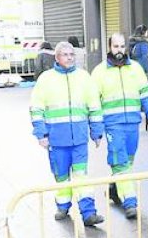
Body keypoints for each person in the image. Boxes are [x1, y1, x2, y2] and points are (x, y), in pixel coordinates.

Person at [29, 40, 105, 226]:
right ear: (56, 57)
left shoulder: (84, 77)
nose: (70, 58)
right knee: (61, 175)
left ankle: (88, 213)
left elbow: (94, 106)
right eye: (65, 55)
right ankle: (63, 205)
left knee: (81, 175)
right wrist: (41, 135)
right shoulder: (46, 79)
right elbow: (36, 108)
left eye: (72, 55)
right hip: (57, 140)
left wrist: (96, 132)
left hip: (79, 139)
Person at [91, 33, 148, 219]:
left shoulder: (136, 69)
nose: (119, 50)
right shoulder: (99, 72)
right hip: (113, 125)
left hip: (132, 123)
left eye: (122, 47)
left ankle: (115, 189)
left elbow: (145, 94)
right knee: (120, 162)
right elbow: (94, 103)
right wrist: (96, 129)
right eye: (115, 47)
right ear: (109, 48)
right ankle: (130, 202)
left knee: (128, 161)